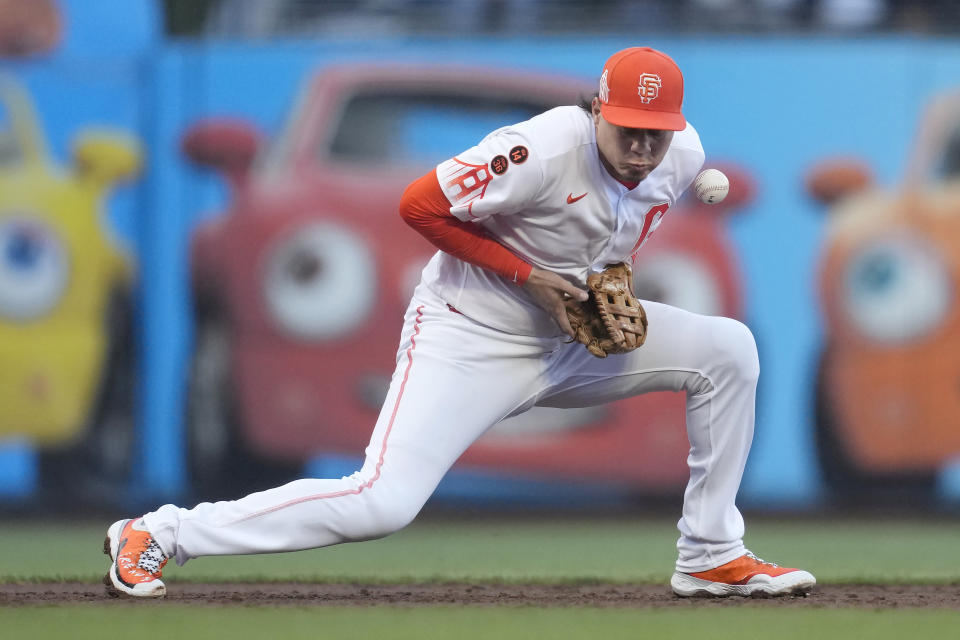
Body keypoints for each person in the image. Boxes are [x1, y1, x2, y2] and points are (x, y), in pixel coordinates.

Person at [103, 46, 815, 599]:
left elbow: (658, 187)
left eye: (655, 136)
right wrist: (531, 278)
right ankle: (161, 533)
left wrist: (685, 195)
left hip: (571, 340)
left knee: (729, 349)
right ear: (598, 111)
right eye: (628, 130)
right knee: (380, 503)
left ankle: (711, 554)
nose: (641, 149)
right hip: (470, 337)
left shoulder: (677, 153)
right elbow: (418, 205)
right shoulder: (537, 150)